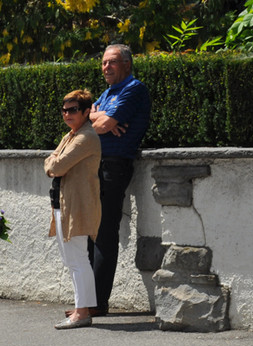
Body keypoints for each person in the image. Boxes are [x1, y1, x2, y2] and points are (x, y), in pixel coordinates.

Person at [87, 44, 151, 317]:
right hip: (95, 166)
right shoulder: (107, 93)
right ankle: (87, 300)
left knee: (104, 234)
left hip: (114, 167)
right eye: (103, 63)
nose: (106, 67)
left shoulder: (134, 89)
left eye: (112, 62)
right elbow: (86, 123)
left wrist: (99, 119)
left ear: (127, 64)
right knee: (91, 233)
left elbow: (100, 126)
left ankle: (96, 303)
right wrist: (97, 117)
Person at [46, 90, 101, 330]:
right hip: (64, 204)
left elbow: (56, 165)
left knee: (77, 258)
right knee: (72, 259)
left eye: (73, 110)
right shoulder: (71, 135)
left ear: (86, 112)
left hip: (78, 206)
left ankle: (82, 312)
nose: (67, 114)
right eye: (64, 110)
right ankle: (81, 308)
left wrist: (52, 163)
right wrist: (53, 163)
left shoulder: (86, 137)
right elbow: (53, 163)